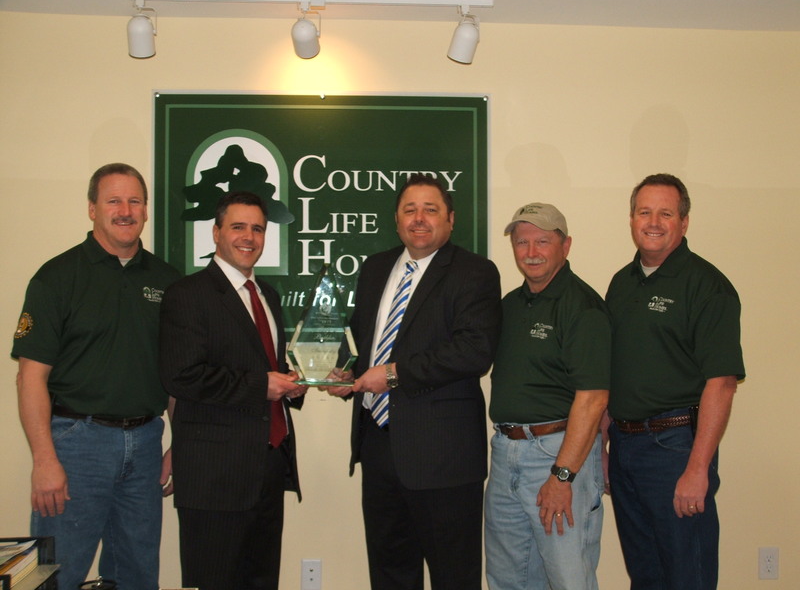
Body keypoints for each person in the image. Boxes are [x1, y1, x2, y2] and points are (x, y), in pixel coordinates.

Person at [327, 173, 502, 590]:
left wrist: (391, 374)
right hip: (379, 445)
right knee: (389, 572)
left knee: (453, 576)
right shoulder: (375, 269)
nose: (419, 218)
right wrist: (345, 369)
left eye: (430, 209)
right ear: (397, 219)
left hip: (444, 456)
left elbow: (474, 351)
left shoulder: (475, 272)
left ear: (451, 219)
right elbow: (363, 338)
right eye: (410, 209)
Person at [11, 163, 181, 590]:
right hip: (75, 446)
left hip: (145, 445)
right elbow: (29, 377)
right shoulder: (57, 277)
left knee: (137, 575)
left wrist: (178, 445)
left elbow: (177, 376)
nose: (126, 210)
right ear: (92, 209)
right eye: (114, 201)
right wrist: (44, 460)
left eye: (135, 201)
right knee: (56, 575)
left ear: (146, 211)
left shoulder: (168, 281)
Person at [159, 191, 306, 590]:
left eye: (257, 228)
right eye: (238, 226)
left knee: (262, 581)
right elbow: (182, 376)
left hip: (269, 465)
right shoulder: (187, 295)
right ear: (216, 233)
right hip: (215, 475)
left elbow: (263, 369)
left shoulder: (268, 297)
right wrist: (263, 385)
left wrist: (291, 384)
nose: (249, 236)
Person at [605, 173, 745, 589]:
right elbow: (613, 372)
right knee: (645, 576)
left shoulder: (707, 286)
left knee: (688, 575)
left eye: (665, 213)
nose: (653, 221)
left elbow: (721, 383)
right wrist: (605, 445)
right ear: (631, 219)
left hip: (675, 450)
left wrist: (697, 469)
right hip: (625, 448)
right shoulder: (621, 282)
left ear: (684, 223)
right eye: (644, 212)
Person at [484, 203, 610, 590]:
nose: (531, 251)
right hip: (506, 456)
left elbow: (593, 400)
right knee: (509, 579)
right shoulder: (508, 306)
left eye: (543, 240)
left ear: (565, 245)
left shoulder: (583, 307)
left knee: (568, 578)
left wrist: (563, 476)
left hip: (557, 457)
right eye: (522, 242)